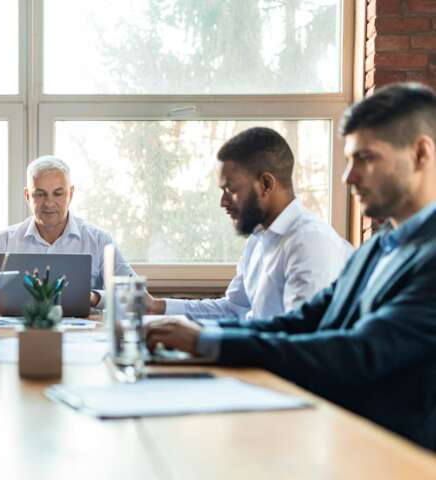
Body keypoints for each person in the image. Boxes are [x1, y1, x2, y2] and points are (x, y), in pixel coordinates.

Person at [145, 82, 436, 450]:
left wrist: (207, 341)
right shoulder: (379, 245)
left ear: (421, 153)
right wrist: (202, 339)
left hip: (391, 455)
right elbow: (303, 320)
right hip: (338, 435)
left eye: (365, 158)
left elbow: (358, 353)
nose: (349, 177)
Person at [148, 127, 353, 320]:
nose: (223, 202)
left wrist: (206, 341)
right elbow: (233, 310)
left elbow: (300, 341)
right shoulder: (258, 239)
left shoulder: (310, 242)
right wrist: (158, 307)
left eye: (231, 190)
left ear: (265, 184)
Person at [0, 155, 134, 307]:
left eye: (58, 194)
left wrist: (94, 297)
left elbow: (131, 291)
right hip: (18, 332)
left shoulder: (99, 241)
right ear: (27, 195)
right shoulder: (4, 241)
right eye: (40, 194)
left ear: (70, 194)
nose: (49, 203)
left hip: (82, 334)